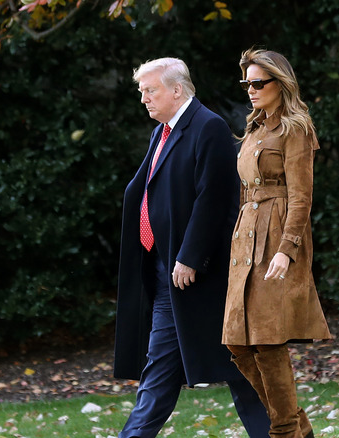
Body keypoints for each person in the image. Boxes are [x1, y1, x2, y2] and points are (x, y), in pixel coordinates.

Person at [112, 57, 270, 438]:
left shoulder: (208, 127)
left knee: (241, 370)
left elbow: (214, 199)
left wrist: (189, 256)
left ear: (177, 90)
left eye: (150, 90)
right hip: (168, 272)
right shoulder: (162, 132)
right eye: (142, 92)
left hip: (202, 275)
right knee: (165, 372)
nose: (144, 99)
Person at [223, 48, 332, 438]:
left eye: (258, 83)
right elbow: (245, 190)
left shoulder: (295, 128)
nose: (250, 90)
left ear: (279, 83)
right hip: (245, 240)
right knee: (237, 343)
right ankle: (298, 427)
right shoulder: (254, 129)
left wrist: (288, 249)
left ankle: (285, 431)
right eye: (246, 83)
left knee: (267, 342)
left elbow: (301, 196)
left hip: (277, 238)